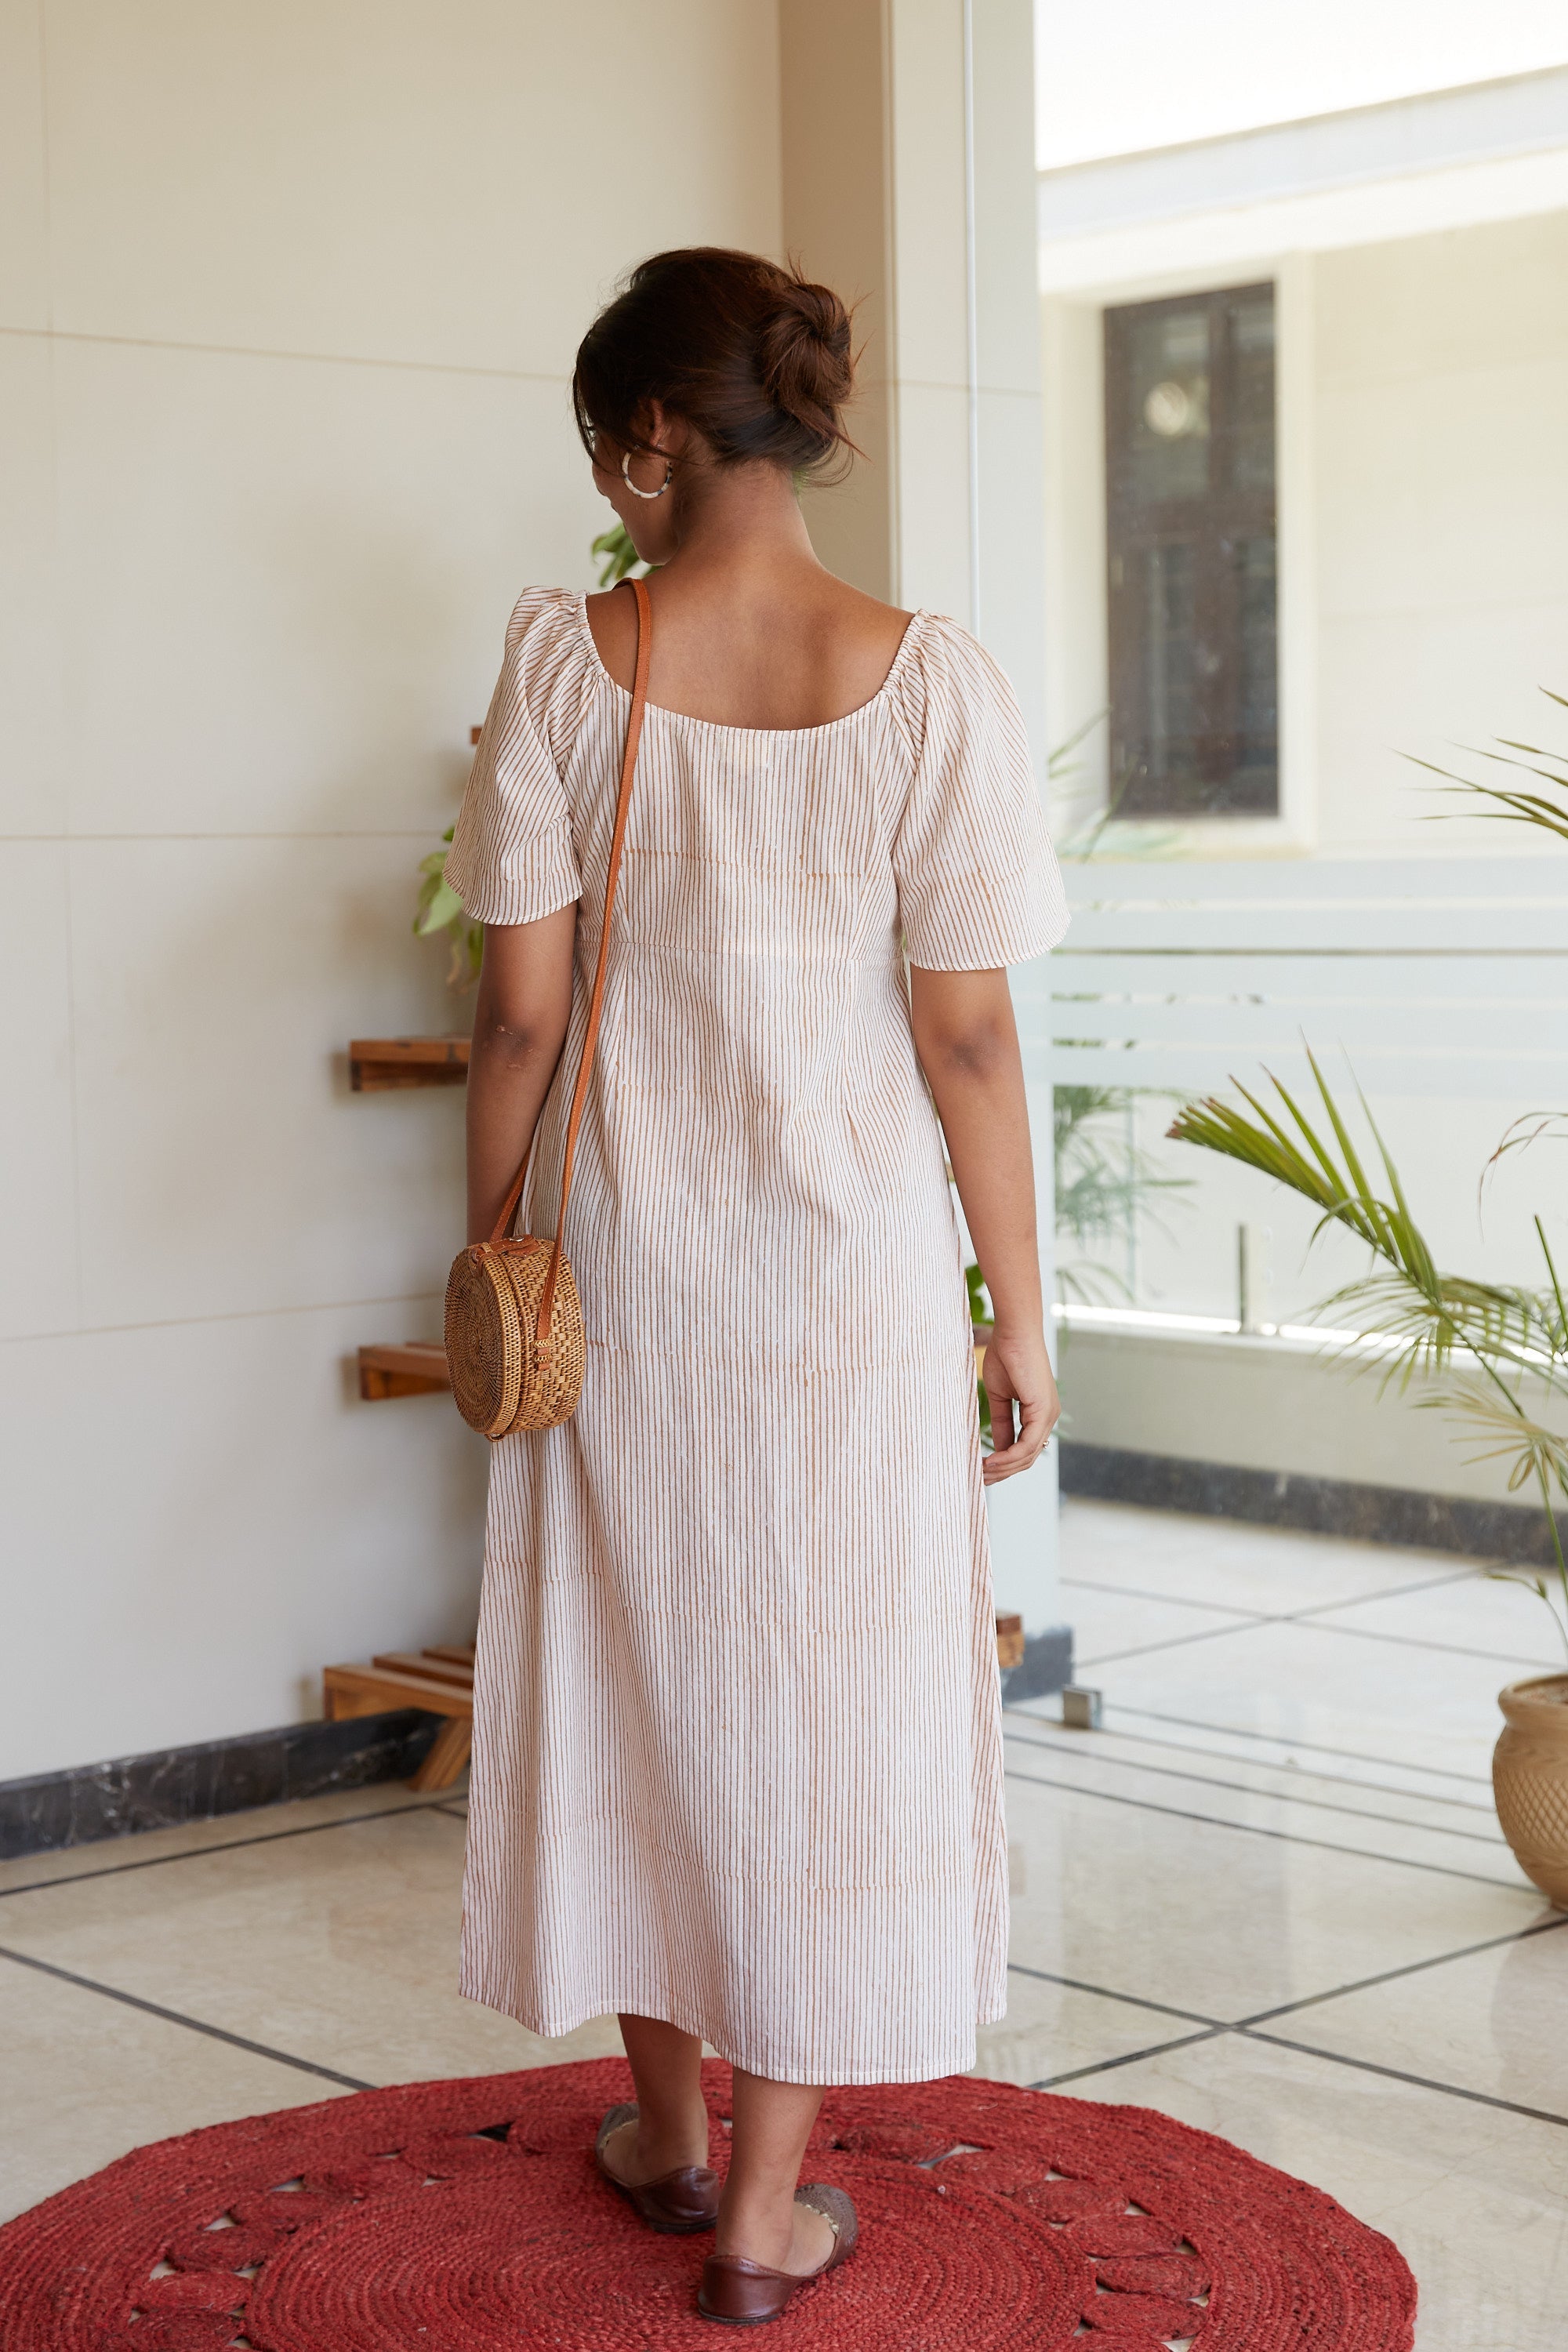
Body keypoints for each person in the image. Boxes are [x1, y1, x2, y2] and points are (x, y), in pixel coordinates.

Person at [445, 245, 1067, 2326]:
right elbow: (970, 1040)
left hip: (629, 1270)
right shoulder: (931, 679)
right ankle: (763, 2214)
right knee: (832, 1704)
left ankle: (664, 2131)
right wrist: (1020, 1309)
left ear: (643, 439)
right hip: (858, 1286)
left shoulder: (565, 663)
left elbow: (519, 1022)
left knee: (638, 1675)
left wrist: (494, 1245)